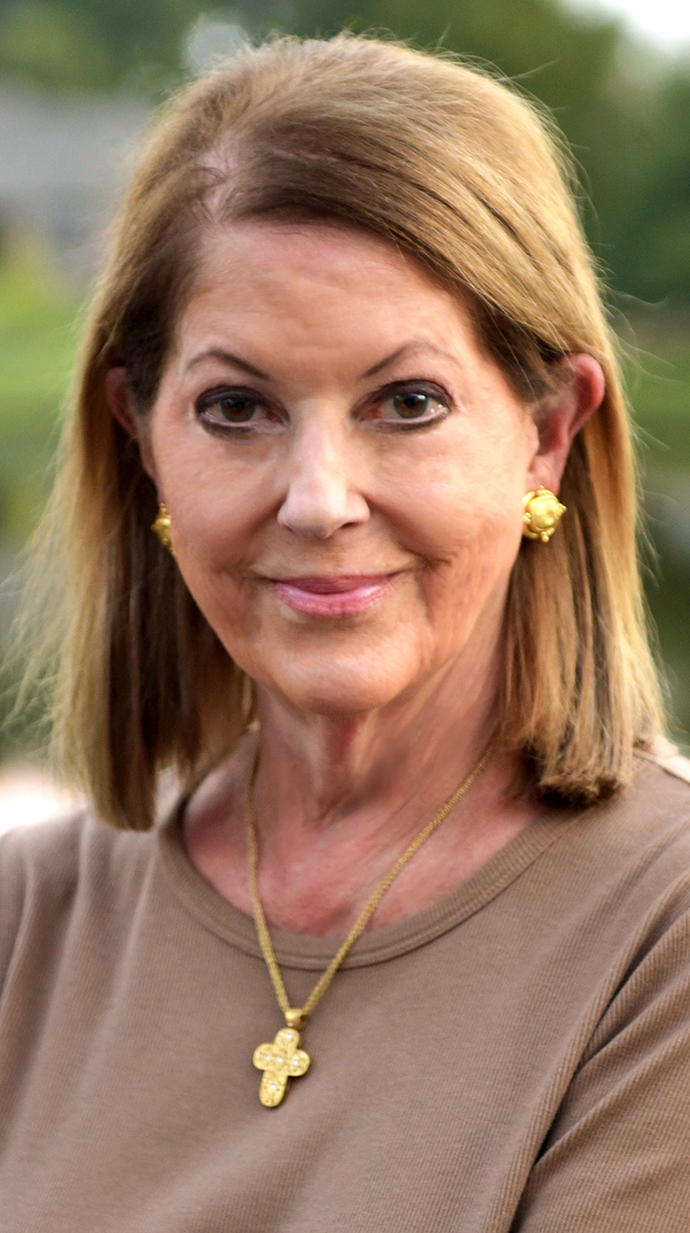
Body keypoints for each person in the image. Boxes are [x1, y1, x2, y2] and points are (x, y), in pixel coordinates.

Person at [2, 32, 690, 1232]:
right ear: (141, 437)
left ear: (548, 435)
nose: (319, 500)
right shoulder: (26, 930)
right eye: (236, 408)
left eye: (407, 403)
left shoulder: (659, 937)